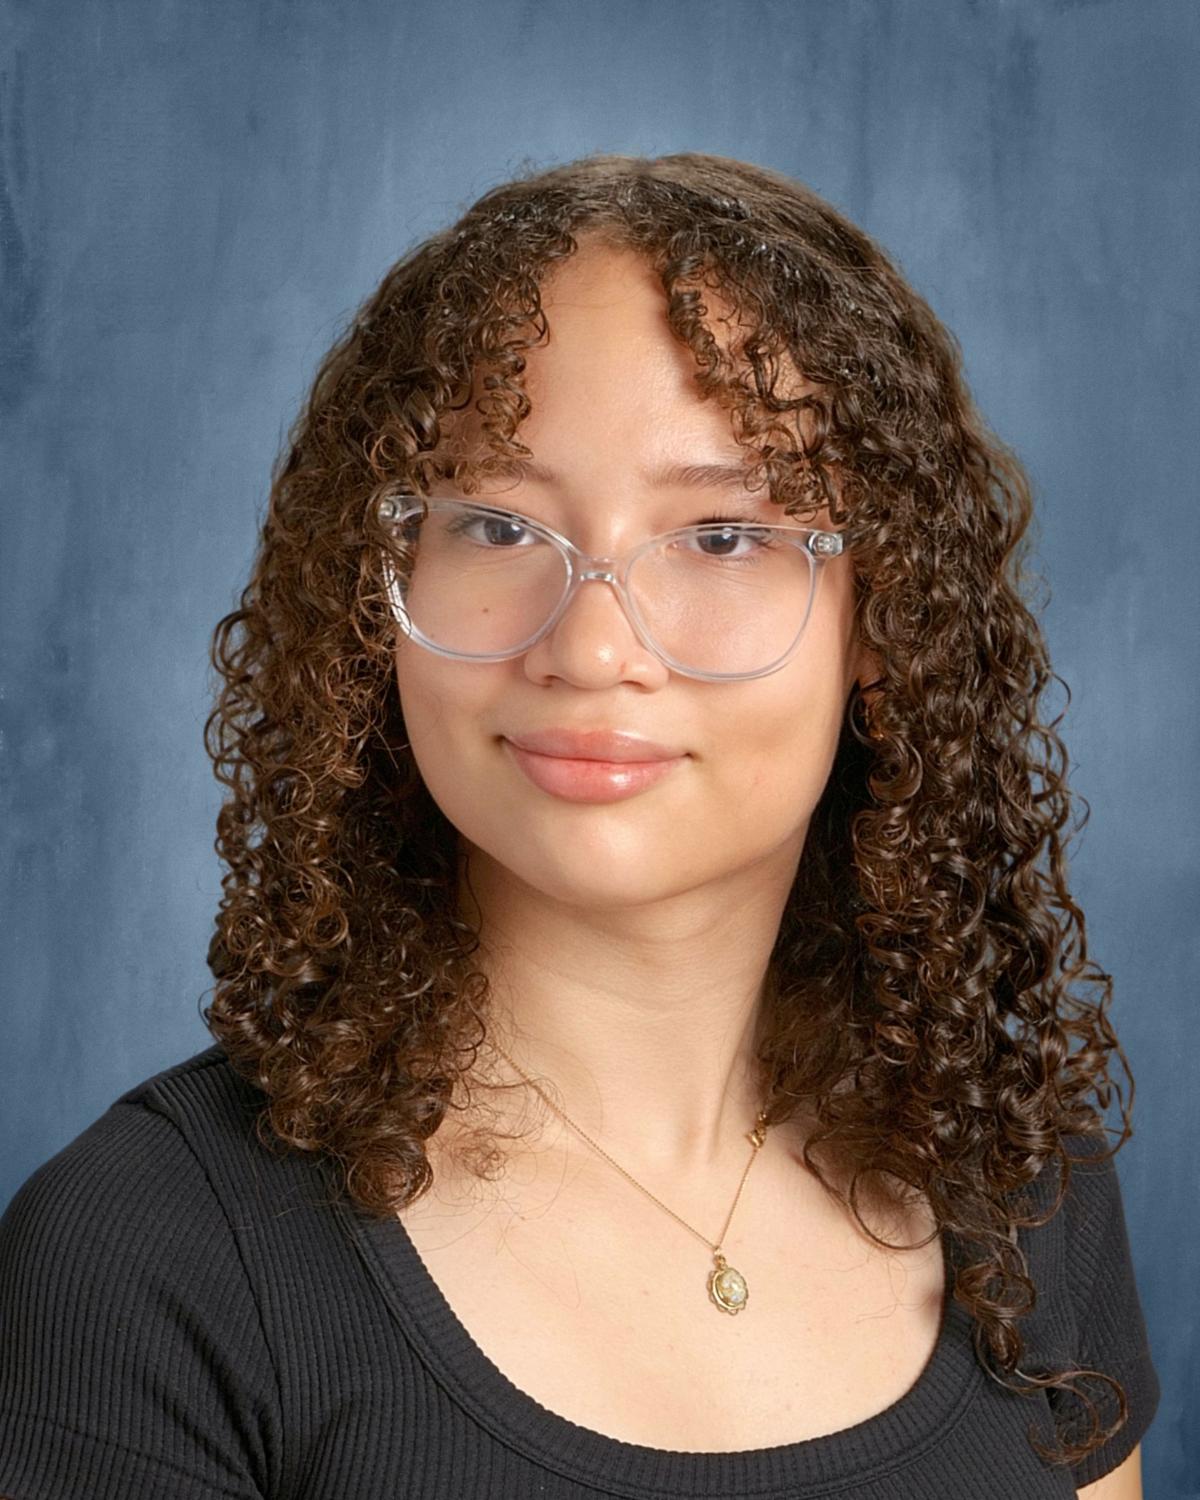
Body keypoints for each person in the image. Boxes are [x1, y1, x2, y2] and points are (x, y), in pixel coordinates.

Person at [0, 152, 1160, 1499]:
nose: (594, 648)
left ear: (886, 624)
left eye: (721, 536)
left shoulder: (1020, 1179)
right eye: (497, 525)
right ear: (378, 591)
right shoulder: (144, 1258)